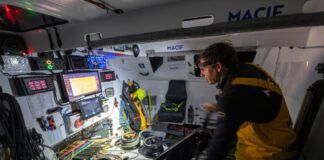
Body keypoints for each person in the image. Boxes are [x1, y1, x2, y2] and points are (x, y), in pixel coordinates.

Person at [198, 42, 296, 160]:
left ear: (218, 66)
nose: (201, 73)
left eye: (203, 68)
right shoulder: (249, 68)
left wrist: (223, 107)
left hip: (264, 153)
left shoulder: (231, 96)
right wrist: (218, 107)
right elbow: (250, 104)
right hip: (284, 140)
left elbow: (219, 146)